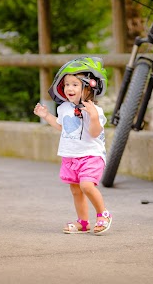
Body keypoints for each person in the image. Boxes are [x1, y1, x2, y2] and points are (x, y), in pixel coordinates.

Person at [33, 56, 112, 235]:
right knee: (76, 190)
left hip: (91, 155)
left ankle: (104, 214)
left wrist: (92, 116)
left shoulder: (94, 110)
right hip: (70, 156)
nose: (69, 88)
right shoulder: (64, 108)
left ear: (89, 86)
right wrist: (46, 116)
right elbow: (62, 127)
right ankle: (83, 222)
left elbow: (94, 133)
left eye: (75, 84)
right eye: (67, 84)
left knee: (86, 186)